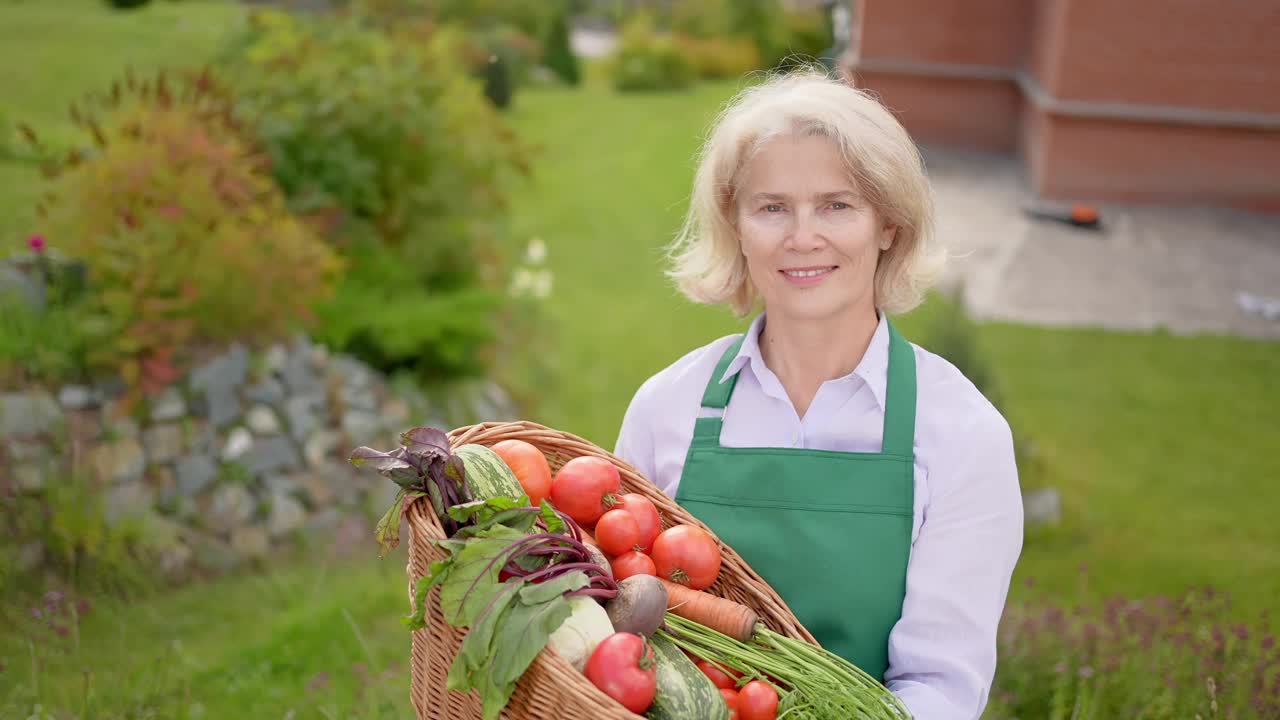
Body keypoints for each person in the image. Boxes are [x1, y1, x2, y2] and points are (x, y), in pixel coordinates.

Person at [613, 69, 1024, 719]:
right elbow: (625, 623)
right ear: (737, 227)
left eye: (838, 205)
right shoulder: (668, 410)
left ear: (888, 224)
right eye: (772, 207)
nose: (802, 237)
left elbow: (941, 687)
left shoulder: (960, 435)